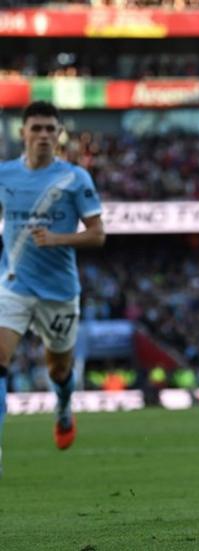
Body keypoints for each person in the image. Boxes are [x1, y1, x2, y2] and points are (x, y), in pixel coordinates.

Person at [0, 101, 105, 476]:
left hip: (59, 291)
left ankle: (63, 407)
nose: (43, 135)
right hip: (12, 285)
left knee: (58, 368)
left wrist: (57, 238)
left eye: (50, 129)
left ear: (59, 134)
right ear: (22, 133)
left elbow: (97, 235)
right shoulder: (4, 174)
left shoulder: (75, 178)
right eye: (37, 128)